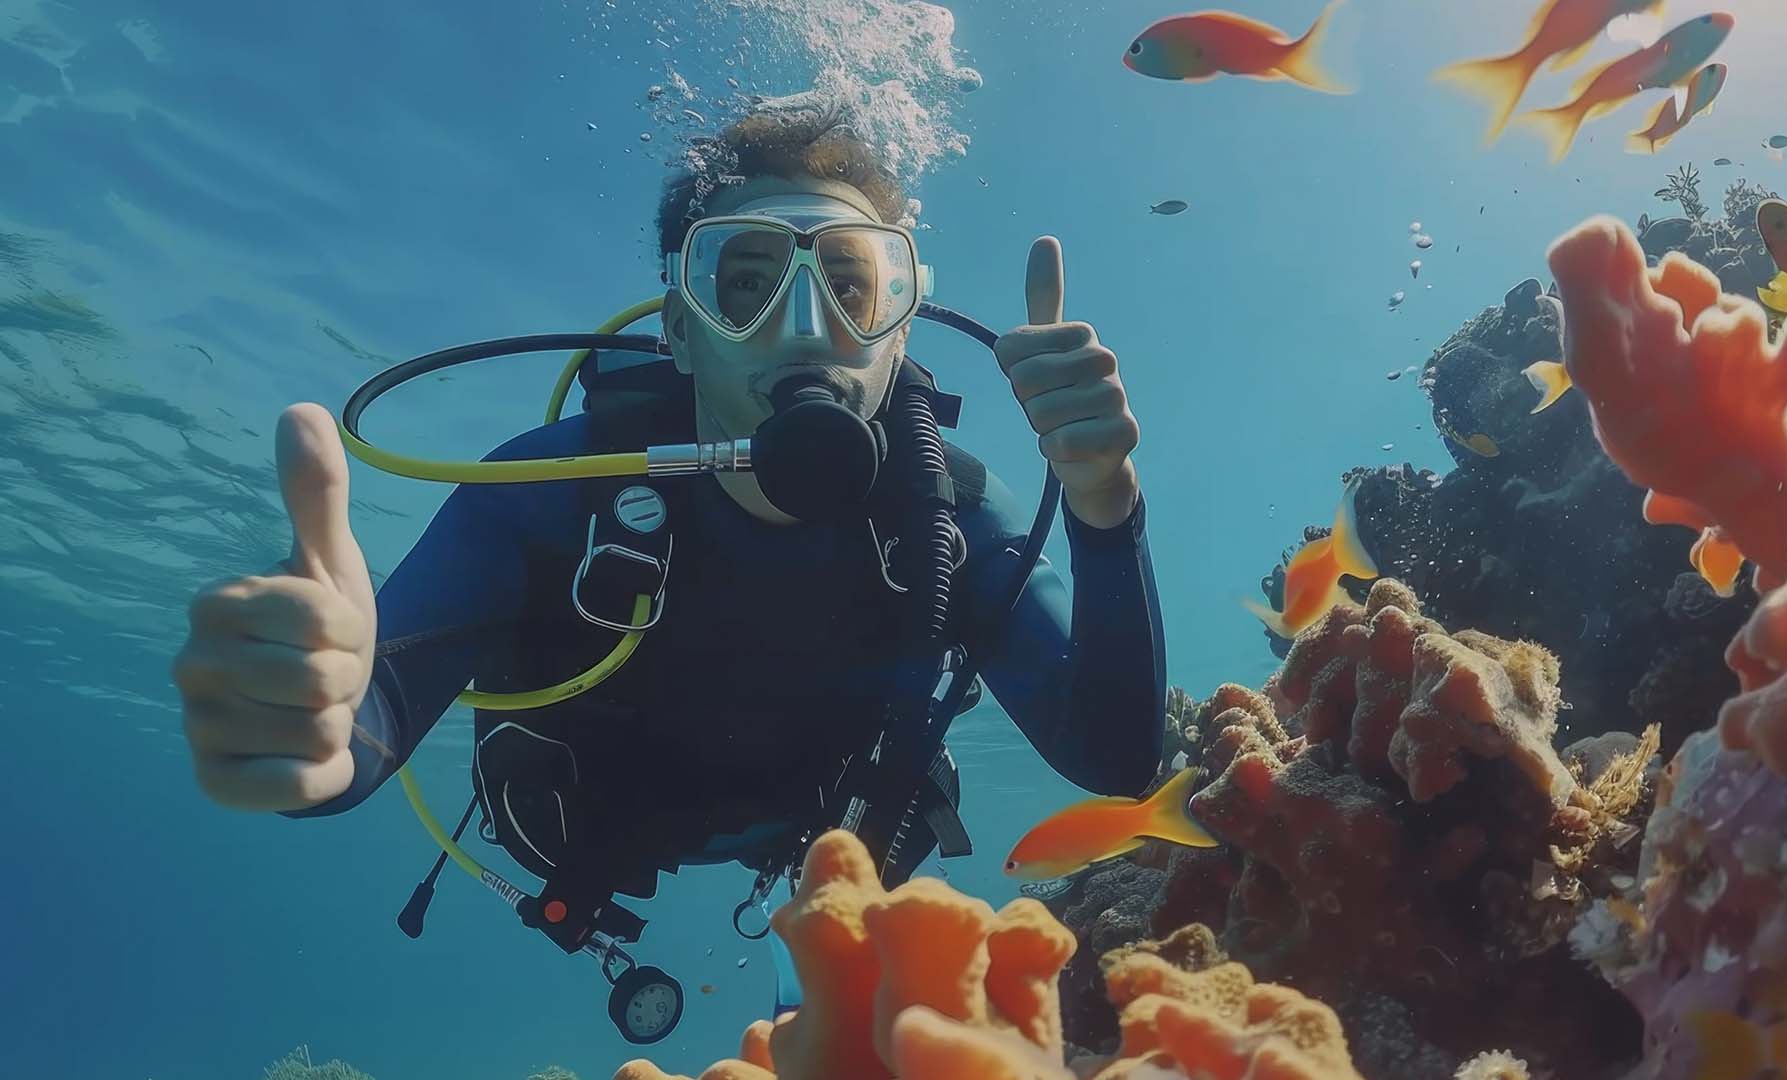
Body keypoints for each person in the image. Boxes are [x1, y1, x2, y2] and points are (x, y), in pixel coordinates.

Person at [171, 97, 1165, 955]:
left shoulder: (950, 516)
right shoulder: (548, 491)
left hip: (822, 836)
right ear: (682, 330)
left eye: (852, 285)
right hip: (584, 831)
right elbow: (365, 719)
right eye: (748, 282)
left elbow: (1113, 758)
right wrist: (308, 724)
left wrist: (1103, 504)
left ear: (898, 331)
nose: (806, 328)